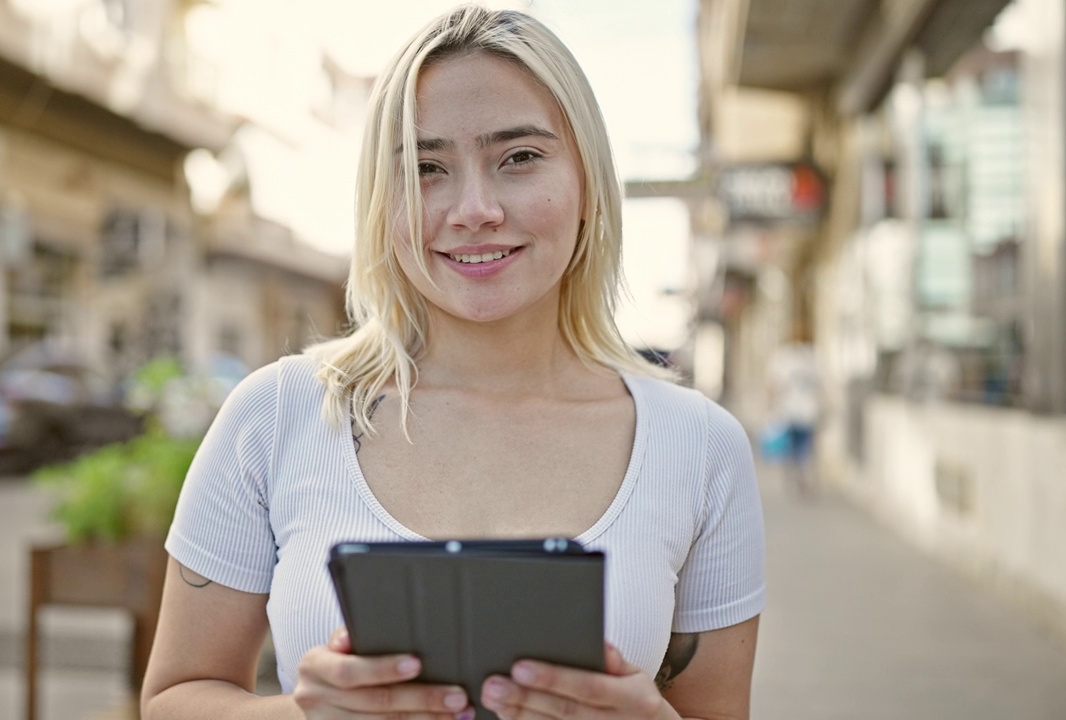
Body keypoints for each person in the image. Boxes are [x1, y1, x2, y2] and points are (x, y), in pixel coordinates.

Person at [141, 7, 764, 720]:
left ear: (590, 181)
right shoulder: (276, 415)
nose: (474, 209)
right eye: (427, 168)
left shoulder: (699, 446)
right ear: (384, 200)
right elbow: (173, 700)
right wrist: (304, 715)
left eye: (520, 158)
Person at [766, 320, 821, 497]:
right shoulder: (815, 356)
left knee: (791, 446)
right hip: (808, 411)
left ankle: (795, 475)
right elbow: (822, 385)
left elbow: (775, 385)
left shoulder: (784, 357)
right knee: (805, 446)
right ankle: (804, 474)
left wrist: (771, 407)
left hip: (789, 410)